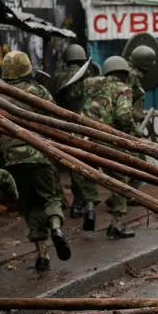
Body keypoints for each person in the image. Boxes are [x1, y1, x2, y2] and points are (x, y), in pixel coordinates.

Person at [0, 51, 71, 271]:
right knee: (50, 198)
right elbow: (55, 120)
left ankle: (42, 254)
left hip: (12, 161)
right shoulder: (38, 91)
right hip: (39, 155)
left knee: (29, 206)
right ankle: (57, 228)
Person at [80, 56, 141, 239]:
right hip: (107, 139)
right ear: (124, 73)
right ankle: (116, 224)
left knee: (86, 172)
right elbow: (123, 115)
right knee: (119, 180)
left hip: (83, 136)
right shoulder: (123, 89)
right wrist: (134, 133)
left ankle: (90, 206)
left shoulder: (90, 83)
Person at [103, 45, 155, 209]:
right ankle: (126, 196)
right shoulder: (131, 76)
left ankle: (121, 197)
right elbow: (124, 106)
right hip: (124, 126)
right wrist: (135, 122)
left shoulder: (130, 73)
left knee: (129, 165)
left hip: (124, 124)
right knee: (139, 163)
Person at [54, 43, 90, 218]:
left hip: (62, 127)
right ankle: (81, 202)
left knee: (70, 166)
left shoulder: (58, 77)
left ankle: (77, 201)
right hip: (82, 127)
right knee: (82, 167)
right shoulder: (85, 78)